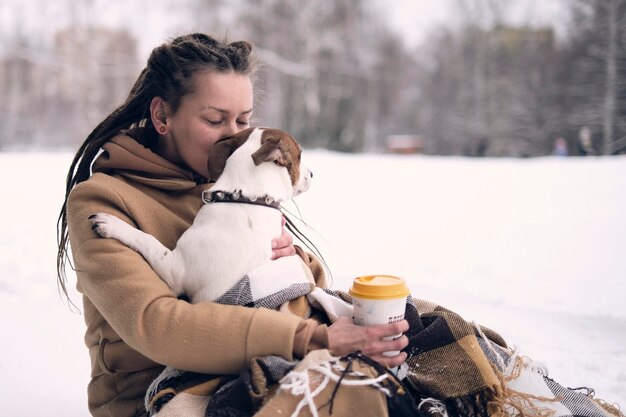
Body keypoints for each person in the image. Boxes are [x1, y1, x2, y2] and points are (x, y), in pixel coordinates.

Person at [56, 33, 408, 417]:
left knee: (418, 342)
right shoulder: (103, 200)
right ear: (162, 116)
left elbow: (304, 290)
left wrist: (295, 262)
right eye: (215, 119)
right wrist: (314, 338)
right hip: (156, 395)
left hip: (260, 359)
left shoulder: (235, 183)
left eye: (243, 119)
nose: (236, 135)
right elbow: (157, 326)